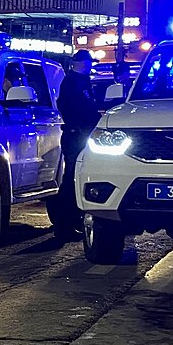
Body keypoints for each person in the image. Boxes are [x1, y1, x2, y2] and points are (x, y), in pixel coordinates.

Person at [54, 49, 100, 241]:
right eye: (88, 63)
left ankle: (71, 222)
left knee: (78, 179)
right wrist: (79, 127)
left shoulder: (81, 82)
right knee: (72, 180)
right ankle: (64, 225)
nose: (90, 66)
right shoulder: (72, 83)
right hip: (76, 136)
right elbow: (73, 108)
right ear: (81, 64)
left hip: (82, 134)